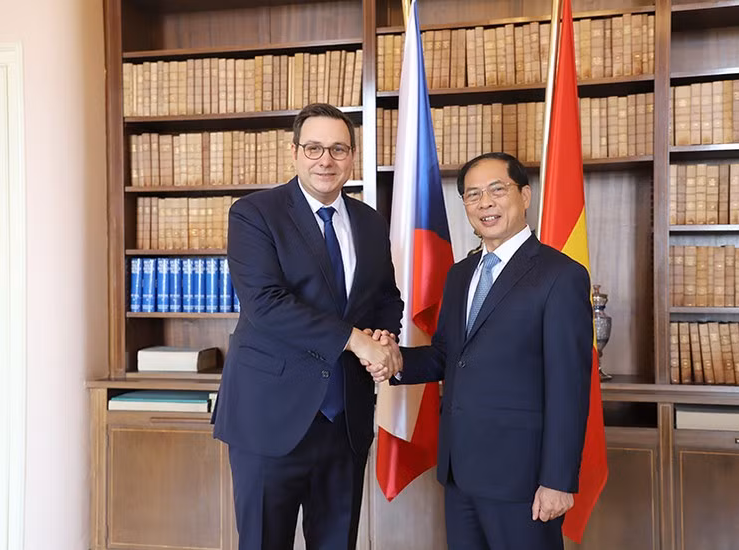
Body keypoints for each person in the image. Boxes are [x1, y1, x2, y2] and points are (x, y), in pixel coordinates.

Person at [212, 103, 404, 550]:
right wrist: (356, 340)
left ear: (352, 156)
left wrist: (384, 338)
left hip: (345, 422)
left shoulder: (370, 222)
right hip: (269, 419)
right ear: (294, 152)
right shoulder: (254, 213)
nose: (326, 160)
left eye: (338, 149)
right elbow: (266, 304)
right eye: (314, 148)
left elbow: (384, 298)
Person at [378, 152, 592, 550]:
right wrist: (396, 360)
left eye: (497, 190)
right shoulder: (461, 273)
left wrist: (558, 480)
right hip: (461, 472)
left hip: (522, 479)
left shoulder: (560, 275)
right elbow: (447, 354)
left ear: (525, 196)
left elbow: (570, 386)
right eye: (472, 195)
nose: (485, 203)